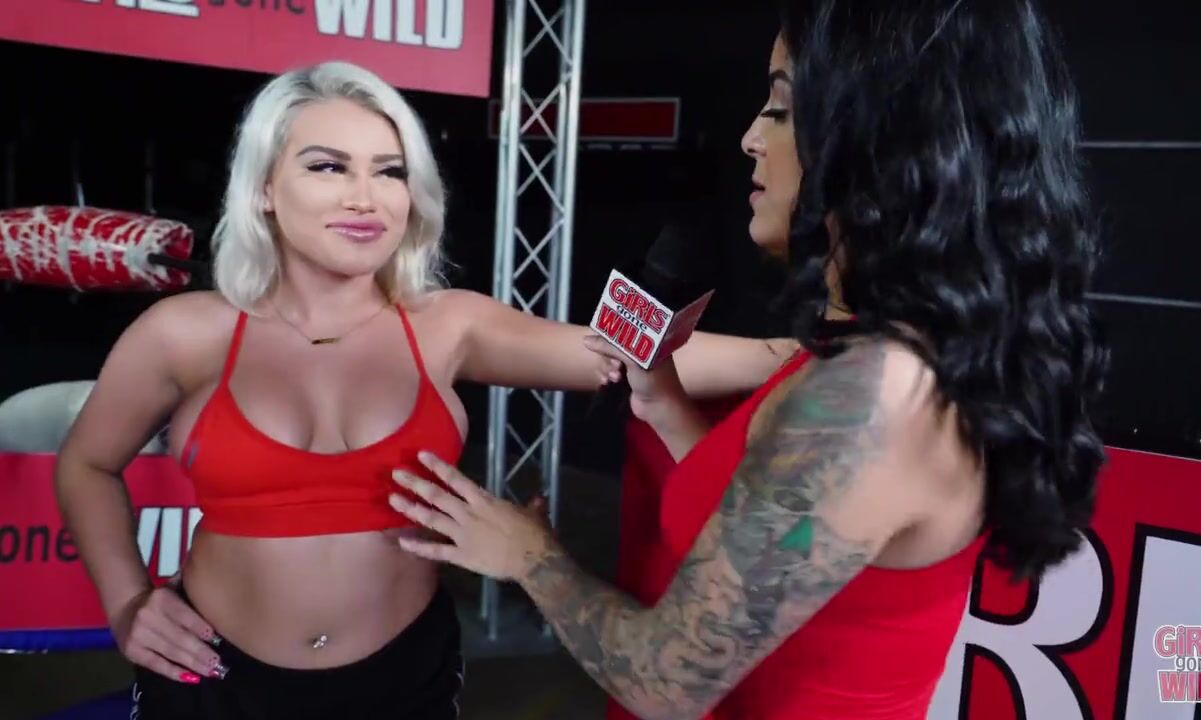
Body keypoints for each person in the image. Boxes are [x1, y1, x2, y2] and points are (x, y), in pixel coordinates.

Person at [388, 1, 1109, 718]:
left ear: (878, 140)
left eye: (782, 111)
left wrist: (529, 555)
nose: (750, 139)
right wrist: (666, 405)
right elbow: (777, 537)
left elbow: (667, 681)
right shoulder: (879, 354)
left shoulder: (871, 396)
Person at [53, 61, 792, 719]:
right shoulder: (183, 333)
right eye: (328, 167)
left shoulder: (447, 326)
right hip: (214, 681)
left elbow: (634, 355)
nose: (365, 197)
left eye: (390, 171)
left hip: (404, 681)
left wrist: (804, 354)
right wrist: (127, 603)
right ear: (266, 189)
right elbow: (86, 464)